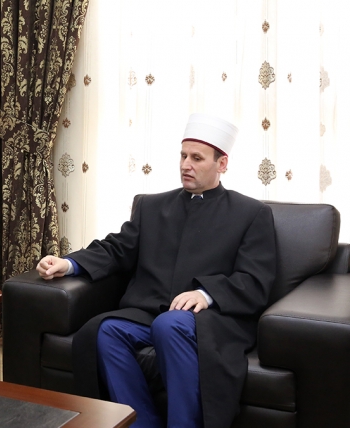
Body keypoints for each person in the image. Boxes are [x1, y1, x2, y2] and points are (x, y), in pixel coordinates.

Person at [37, 113, 276, 428]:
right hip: (149, 312)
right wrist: (68, 264)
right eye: (183, 155)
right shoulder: (152, 207)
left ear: (222, 164)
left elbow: (254, 280)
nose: (185, 164)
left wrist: (206, 294)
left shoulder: (252, 213)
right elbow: (117, 248)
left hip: (211, 320)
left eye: (196, 158)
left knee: (170, 325)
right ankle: (141, 423)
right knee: (104, 331)